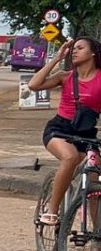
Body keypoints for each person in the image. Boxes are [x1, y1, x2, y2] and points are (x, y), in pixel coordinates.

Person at [28, 36, 101, 225]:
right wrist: (57, 58)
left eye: (80, 47)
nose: (74, 51)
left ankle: (97, 239)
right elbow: (33, 85)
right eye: (73, 48)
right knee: (69, 157)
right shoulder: (65, 76)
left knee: (95, 182)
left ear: (93, 52)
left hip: (86, 134)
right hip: (59, 130)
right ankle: (52, 211)